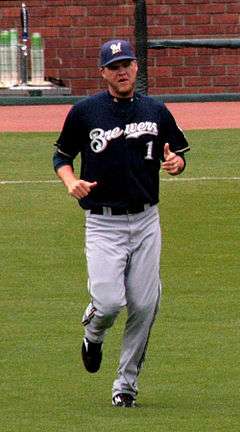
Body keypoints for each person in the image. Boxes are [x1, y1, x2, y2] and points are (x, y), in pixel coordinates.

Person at [53, 39, 190, 408]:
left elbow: (177, 153)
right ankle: (94, 332)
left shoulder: (156, 110)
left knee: (145, 305)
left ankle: (125, 385)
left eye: (127, 63)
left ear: (135, 67)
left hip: (146, 220)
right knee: (111, 302)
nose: (123, 70)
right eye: (115, 66)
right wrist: (71, 182)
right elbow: (61, 157)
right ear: (103, 73)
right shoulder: (85, 112)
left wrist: (176, 164)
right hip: (102, 223)